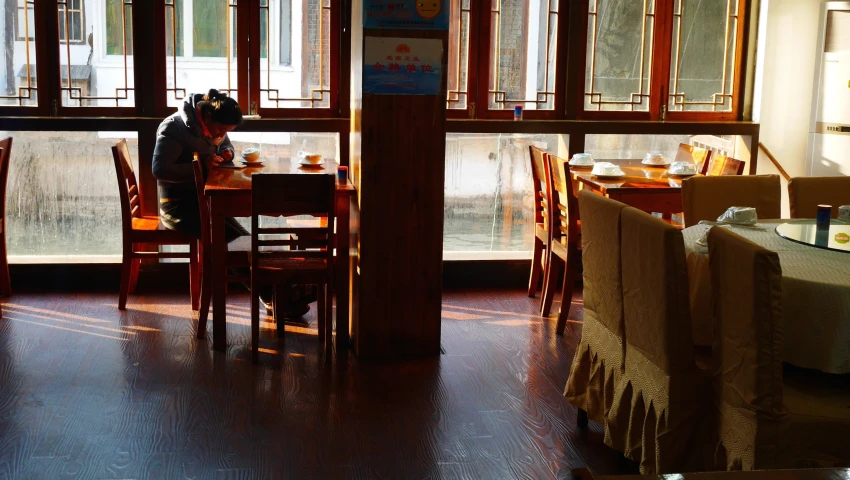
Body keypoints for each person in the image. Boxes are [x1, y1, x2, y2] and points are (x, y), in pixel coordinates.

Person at [152, 89, 313, 319]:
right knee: (231, 241)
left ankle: (276, 294)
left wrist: (227, 152)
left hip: (206, 202)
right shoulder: (174, 128)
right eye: (220, 130)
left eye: (227, 131)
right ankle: (275, 296)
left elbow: (226, 145)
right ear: (207, 118)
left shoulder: (215, 125)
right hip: (178, 206)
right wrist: (202, 167)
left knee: (242, 237)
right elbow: (159, 170)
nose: (222, 134)